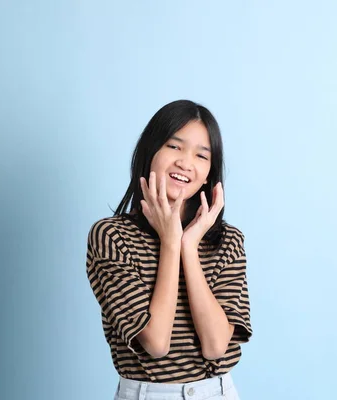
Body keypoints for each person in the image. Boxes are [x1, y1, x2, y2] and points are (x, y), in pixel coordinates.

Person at [86, 100, 252, 400]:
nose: (186, 163)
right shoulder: (112, 237)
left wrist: (188, 246)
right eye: (174, 147)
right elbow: (156, 342)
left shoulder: (228, 240)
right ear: (151, 152)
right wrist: (170, 242)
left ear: (208, 174)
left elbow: (216, 346)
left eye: (201, 155)